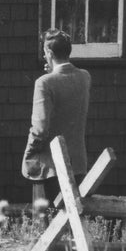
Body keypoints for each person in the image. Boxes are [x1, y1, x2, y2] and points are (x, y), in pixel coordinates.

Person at [22, 29, 92, 205]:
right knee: (73, 220)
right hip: (77, 163)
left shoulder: (44, 83)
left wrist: (29, 153)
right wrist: (52, 73)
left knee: (49, 226)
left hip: (50, 166)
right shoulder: (85, 77)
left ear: (49, 53)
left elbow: (40, 130)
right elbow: (66, 83)